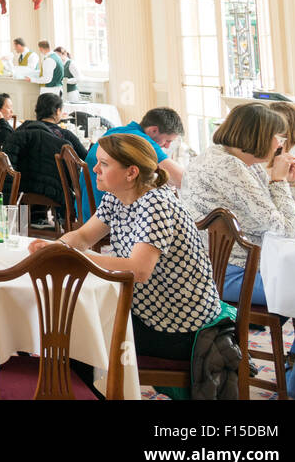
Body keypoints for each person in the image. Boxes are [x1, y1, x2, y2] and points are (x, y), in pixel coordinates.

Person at [30, 133, 222, 365]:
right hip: (148, 309)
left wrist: (73, 257)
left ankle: (84, 389)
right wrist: (56, 247)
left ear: (131, 173)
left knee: (77, 331)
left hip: (179, 325)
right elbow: (83, 236)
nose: (95, 170)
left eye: (104, 164)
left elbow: (138, 270)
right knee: (71, 320)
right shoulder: (117, 196)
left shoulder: (156, 204)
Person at [180, 104, 295, 301]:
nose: (279, 145)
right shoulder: (229, 167)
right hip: (229, 273)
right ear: (260, 136)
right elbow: (288, 228)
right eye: (278, 138)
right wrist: (279, 182)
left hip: (246, 264)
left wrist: (290, 183)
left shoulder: (238, 161)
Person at [82, 107, 186, 219]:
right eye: (167, 140)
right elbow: (182, 180)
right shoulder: (139, 140)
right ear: (154, 130)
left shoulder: (116, 130)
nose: (167, 146)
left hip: (86, 207)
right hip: (104, 214)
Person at [1, 93, 87, 222]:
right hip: (56, 191)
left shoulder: (20, 132)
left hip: (22, 187)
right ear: (57, 111)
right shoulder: (64, 135)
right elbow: (85, 158)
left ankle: (36, 218)